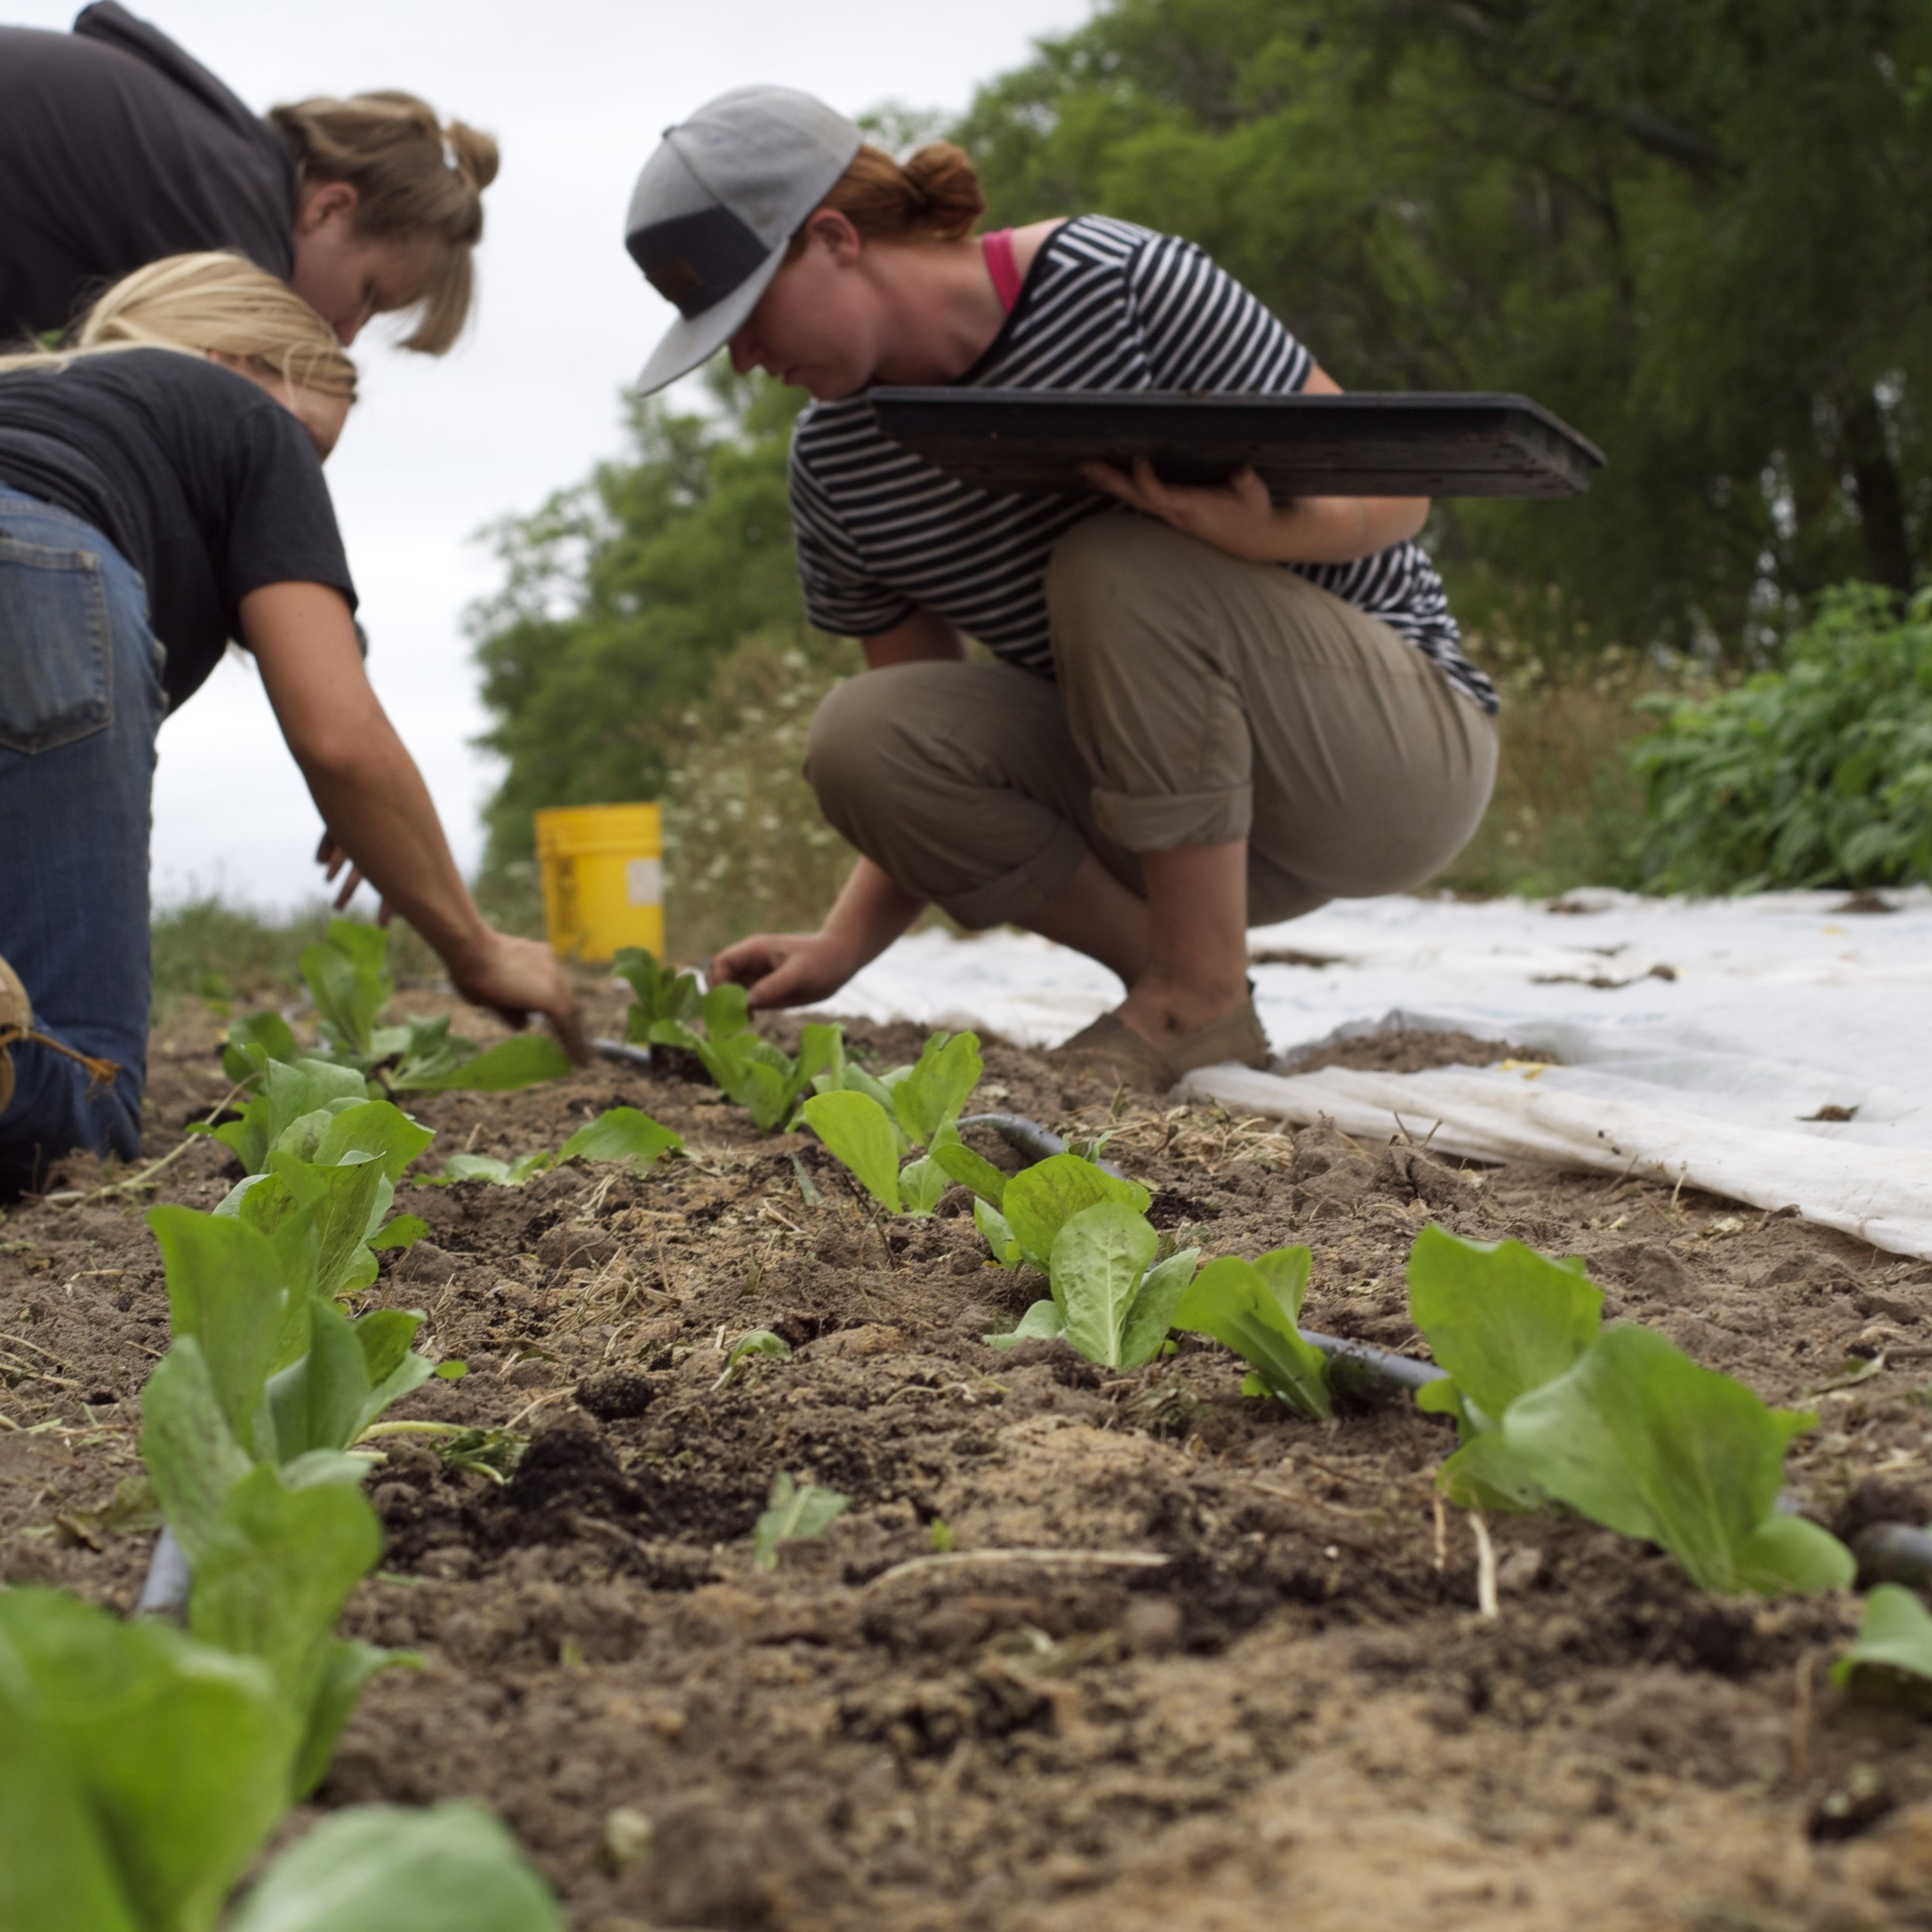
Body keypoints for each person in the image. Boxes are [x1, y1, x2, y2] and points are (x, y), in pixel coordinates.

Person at [621, 87, 1499, 1090]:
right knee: (862, 735)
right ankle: (1186, 992)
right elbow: (923, 744)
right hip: (1179, 815)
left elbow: (1398, 487)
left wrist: (1264, 531)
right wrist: (842, 946)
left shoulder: (1119, 283)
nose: (741, 359)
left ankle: (1194, 994)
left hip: (1386, 755)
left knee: (1120, 563)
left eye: (745, 313)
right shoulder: (839, 464)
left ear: (832, 238)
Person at [0, 253, 582, 1194]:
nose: (301, 483)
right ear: (234, 360)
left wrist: (372, 821)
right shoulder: (236, 410)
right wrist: (477, 949)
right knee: (78, 1096)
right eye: (308, 447)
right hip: (30, 580)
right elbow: (338, 736)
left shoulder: (51, 403)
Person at [0, 2, 496, 349]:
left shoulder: (212, 157)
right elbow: (247, 417)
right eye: (368, 295)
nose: (346, 335)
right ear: (330, 207)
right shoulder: (232, 228)